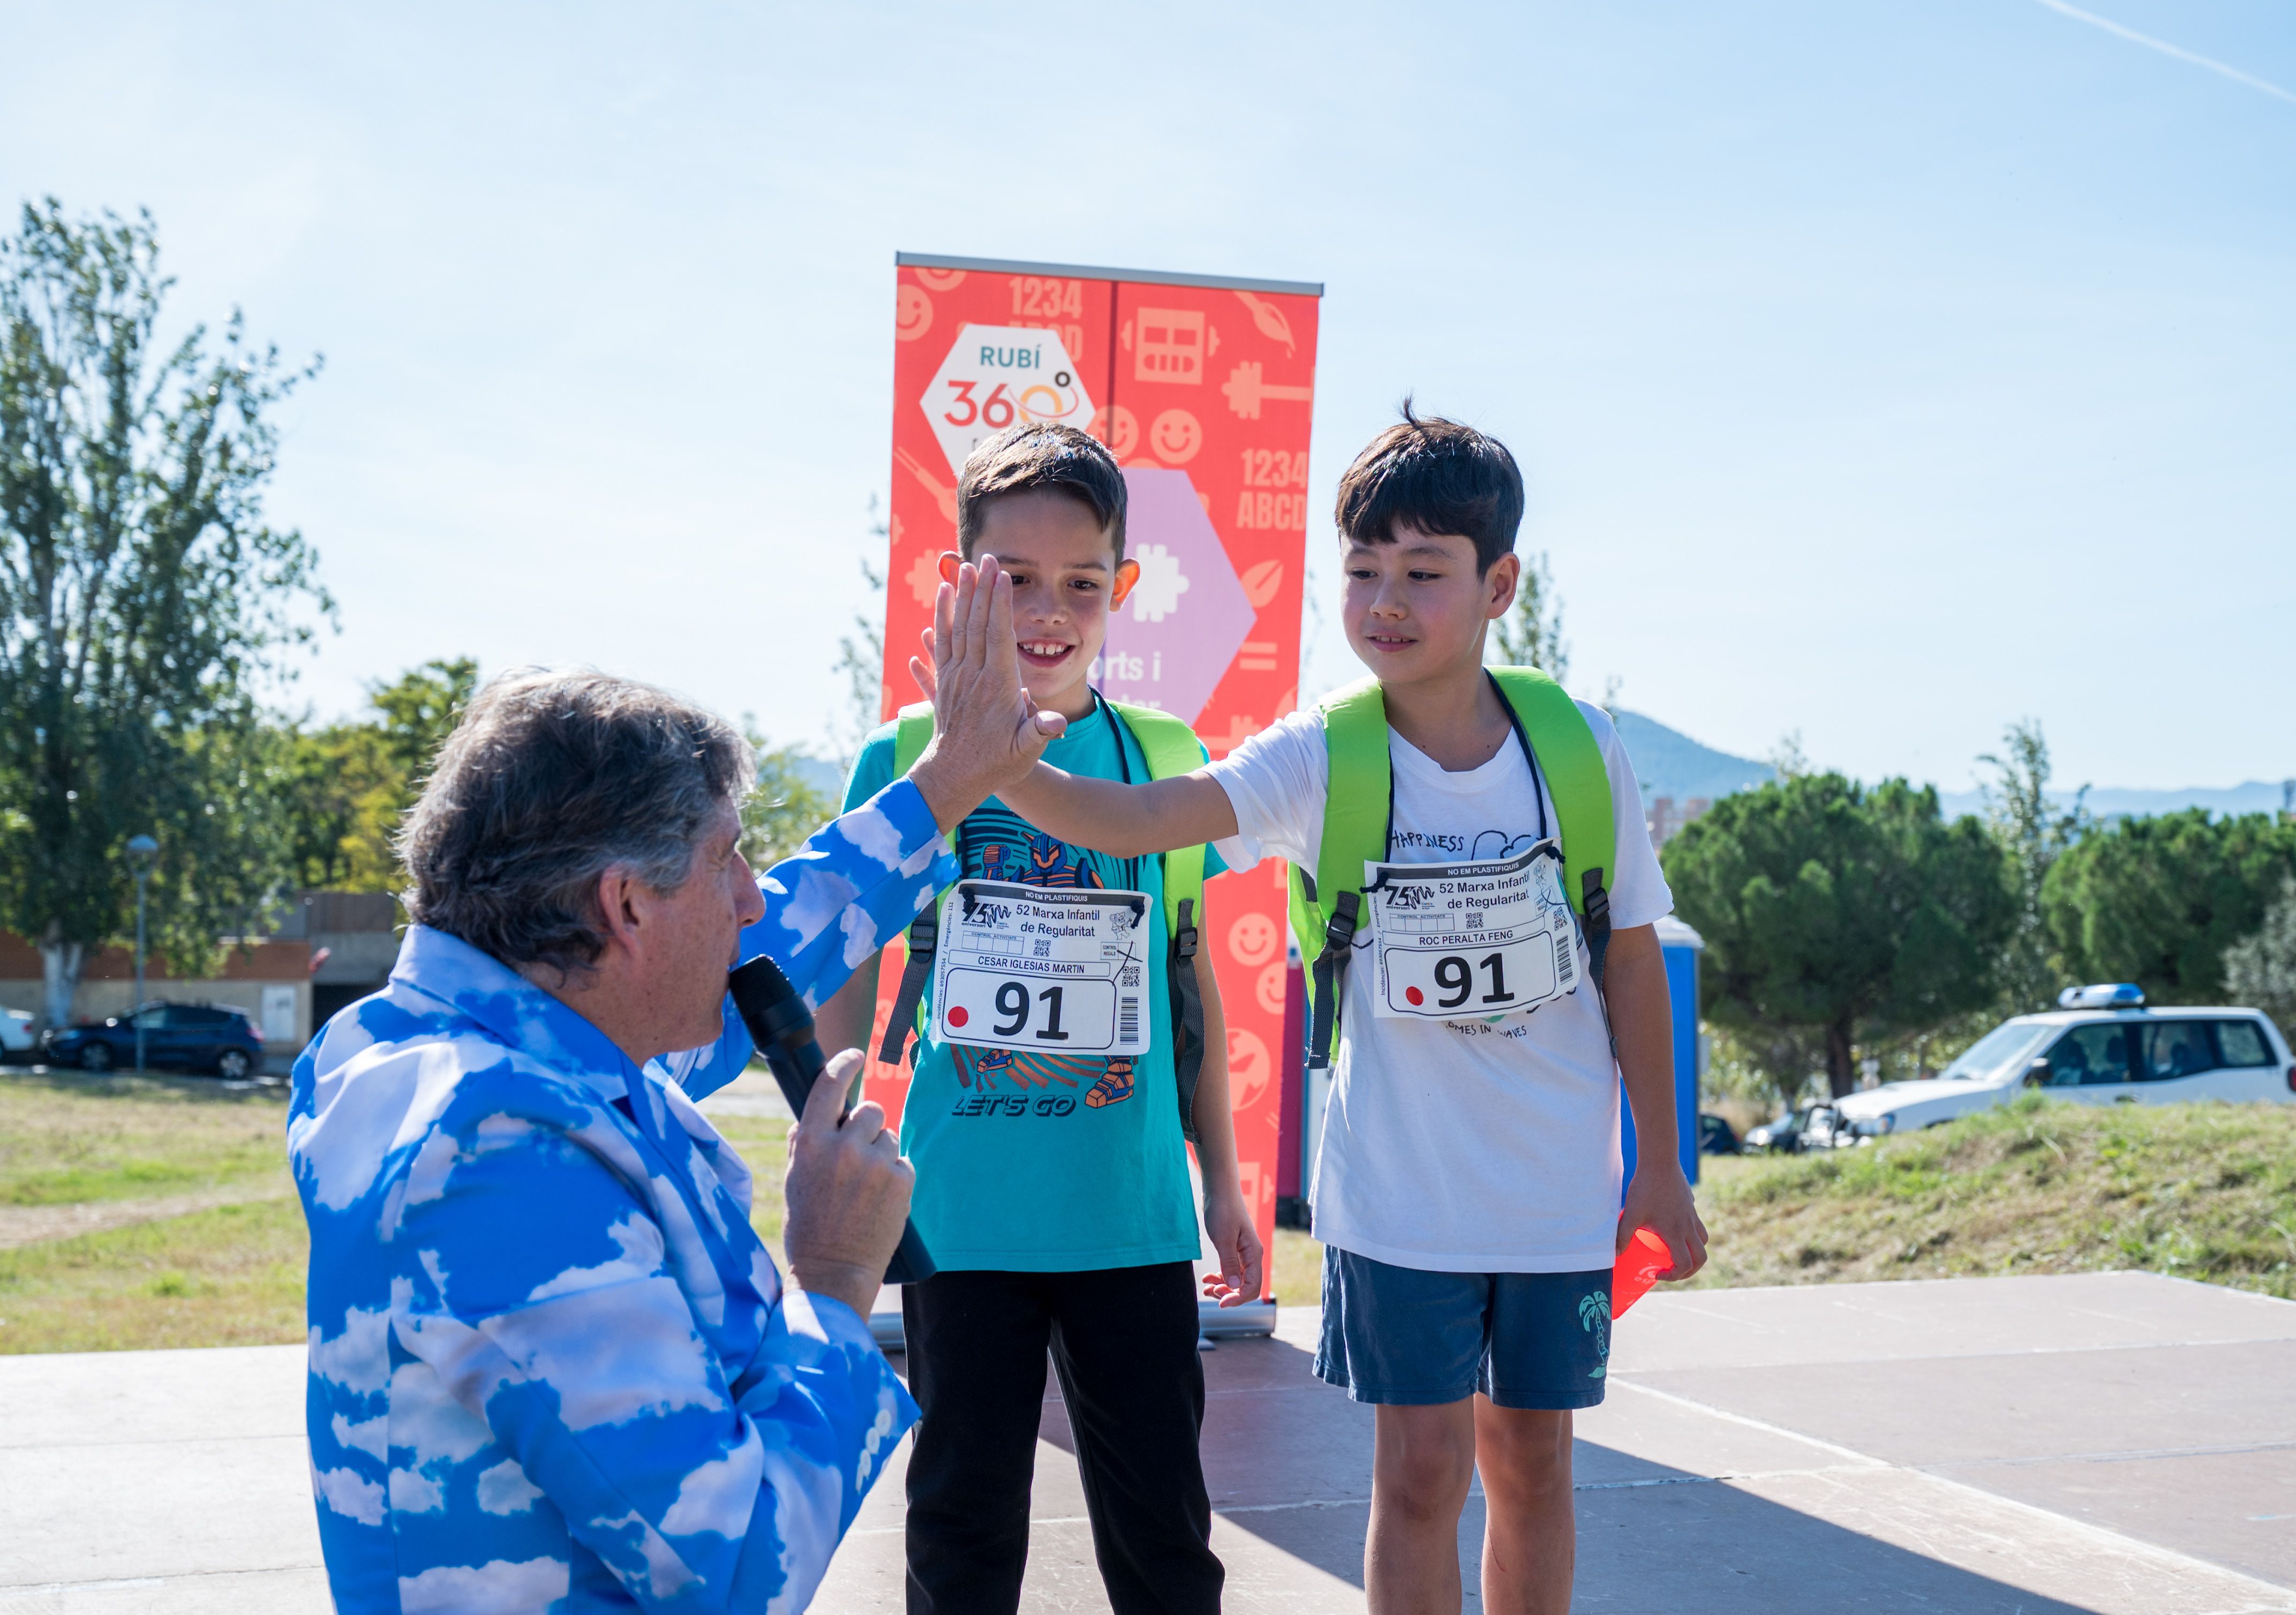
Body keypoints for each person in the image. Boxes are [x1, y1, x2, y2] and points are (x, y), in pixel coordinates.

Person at [955, 405, 1711, 1614]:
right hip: (1398, 1196)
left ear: (1497, 581)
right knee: (1416, 1473)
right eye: (1361, 572)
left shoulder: (1576, 746)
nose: (1385, 601)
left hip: (1555, 1190)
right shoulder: (1322, 754)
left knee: (1531, 1462)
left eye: (1422, 571)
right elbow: (1154, 819)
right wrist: (992, 766)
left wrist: (1660, 1165)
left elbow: (1627, 954)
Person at [288, 560, 1059, 1613]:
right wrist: (832, 1276)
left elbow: (773, 931)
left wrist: (944, 784)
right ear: (624, 905)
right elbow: (738, 1565)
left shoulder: (481, 1042)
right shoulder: (497, 1152)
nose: (751, 899)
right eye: (726, 860)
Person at [816, 423, 1262, 1615]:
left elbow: (1187, 978)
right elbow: (845, 962)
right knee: (959, 1530)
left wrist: (1221, 1177)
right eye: (1013, 579)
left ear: (1121, 589)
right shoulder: (902, 752)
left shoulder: (1161, 756)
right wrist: (836, 1133)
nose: (1045, 609)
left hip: (1130, 1215)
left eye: (1078, 582)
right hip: (960, 1217)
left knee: (1165, 1537)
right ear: (963, 581)